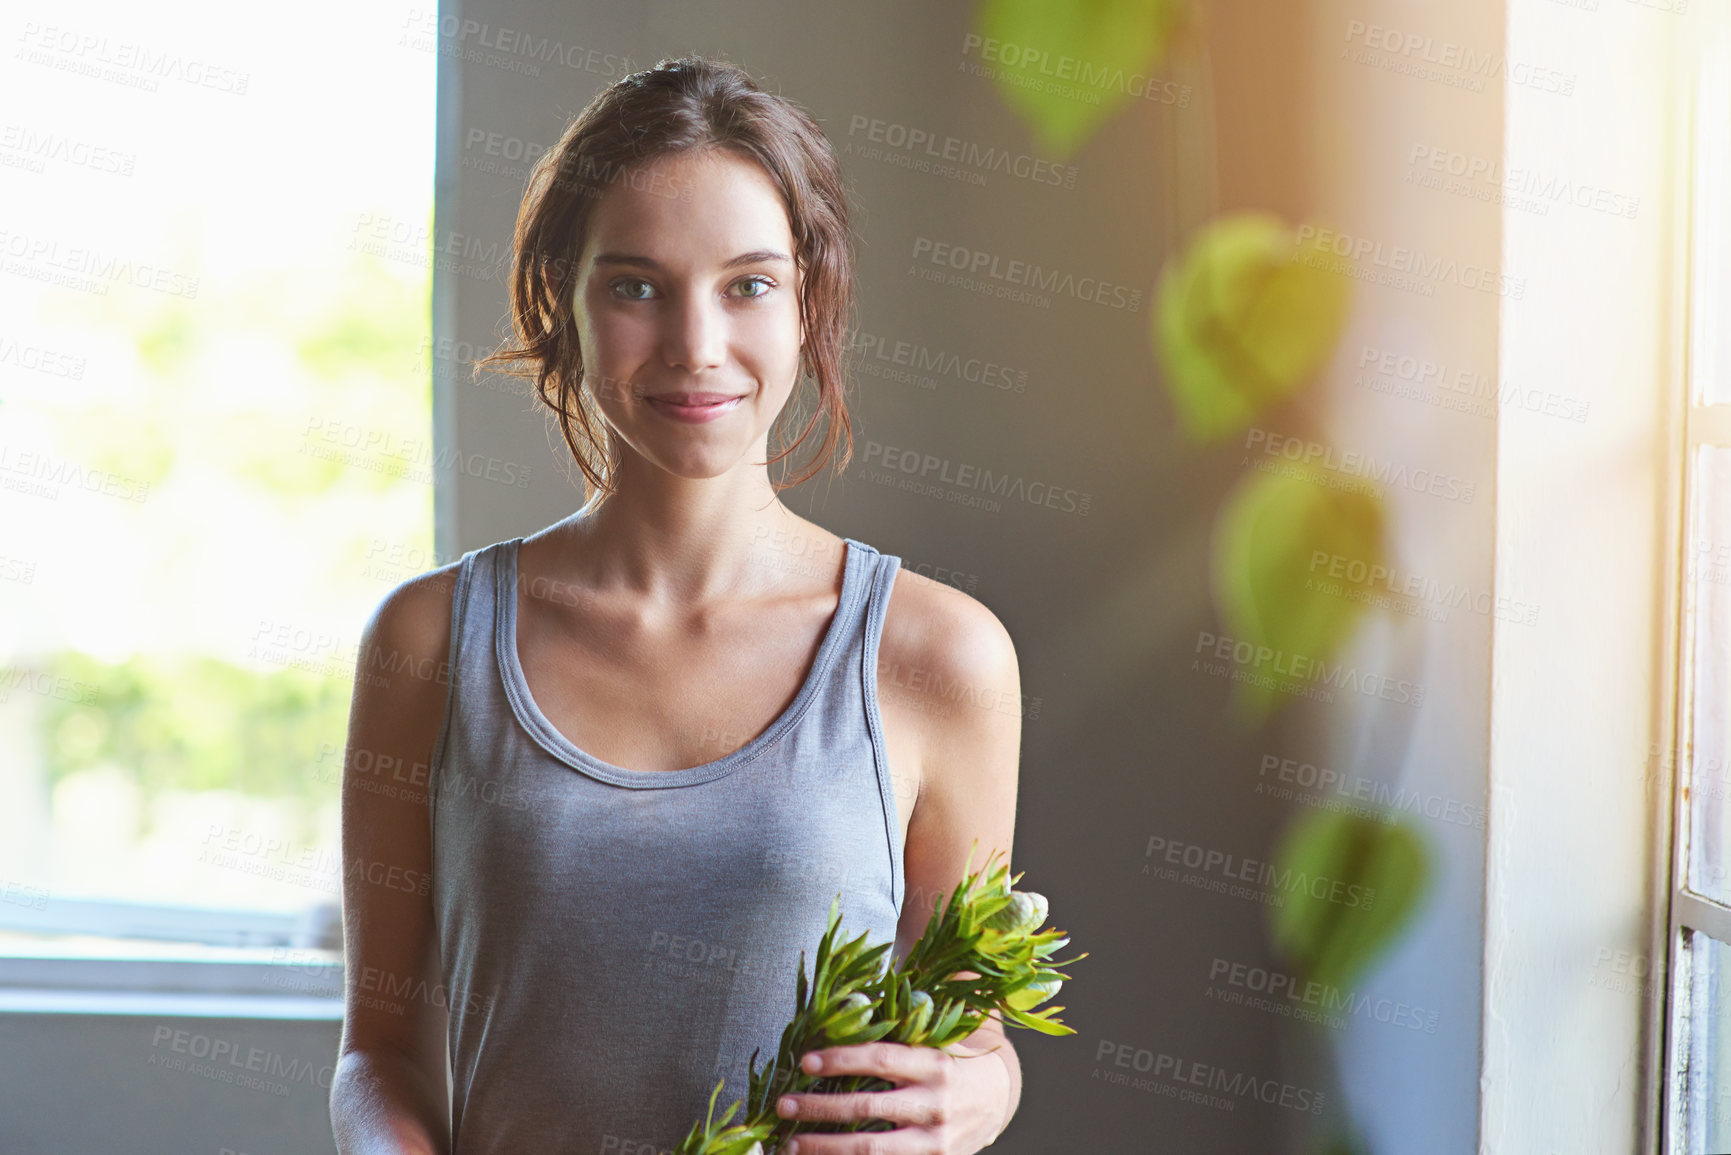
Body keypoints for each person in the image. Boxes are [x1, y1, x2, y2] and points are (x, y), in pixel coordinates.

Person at [329, 55, 1024, 1155]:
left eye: (748, 285)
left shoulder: (940, 655)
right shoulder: (427, 642)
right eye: (636, 285)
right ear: (561, 301)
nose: (697, 346)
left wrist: (985, 1090)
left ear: (812, 305)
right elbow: (381, 1052)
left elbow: (966, 1032)